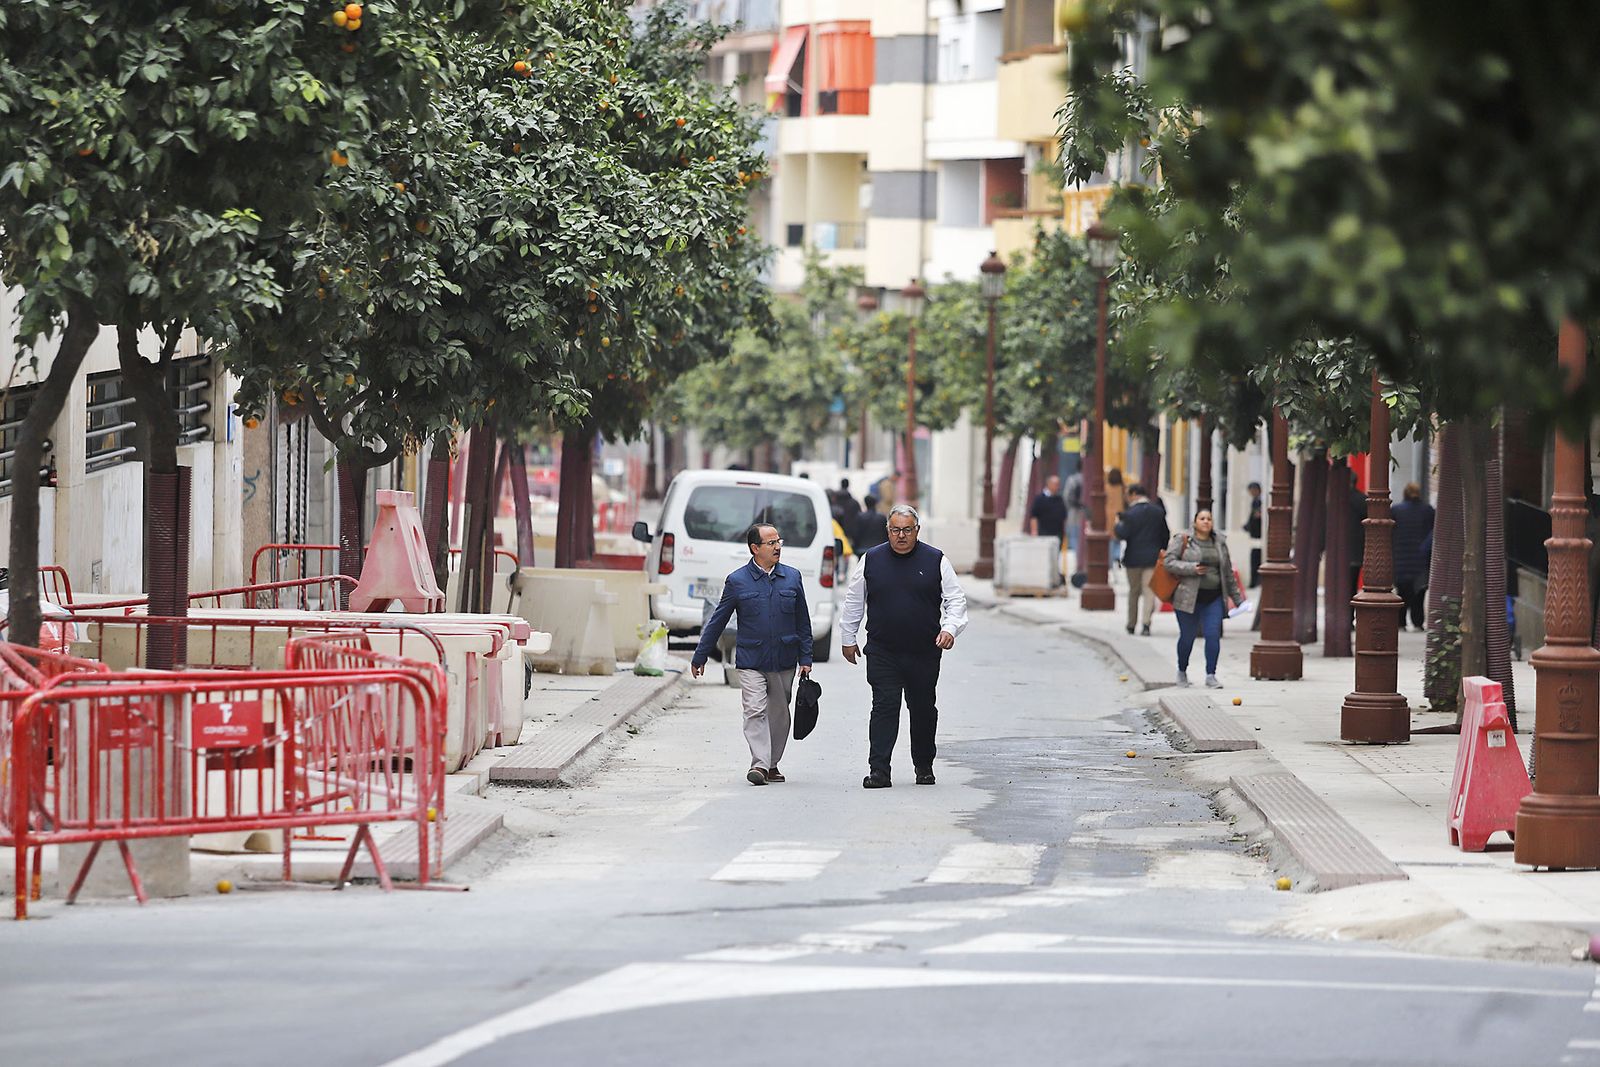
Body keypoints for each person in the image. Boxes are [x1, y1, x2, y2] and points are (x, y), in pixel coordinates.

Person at [839, 504, 968, 789]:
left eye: (907, 530)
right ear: (888, 531)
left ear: (917, 531)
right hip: (883, 649)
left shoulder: (936, 560)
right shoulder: (871, 559)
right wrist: (848, 638)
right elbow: (853, 600)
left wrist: (950, 628)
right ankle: (879, 770)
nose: (901, 536)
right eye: (895, 530)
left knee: (923, 709)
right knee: (884, 706)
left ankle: (924, 766)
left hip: (924, 651)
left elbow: (955, 600)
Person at [691, 523, 814, 786]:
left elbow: (803, 621)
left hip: (784, 659)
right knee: (754, 710)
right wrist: (700, 655)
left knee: (780, 714)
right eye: (771, 543)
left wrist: (806, 657)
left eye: (778, 541)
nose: (777, 547)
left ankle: (772, 764)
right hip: (751, 660)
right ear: (755, 548)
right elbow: (718, 620)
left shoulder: (792, 577)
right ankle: (759, 763)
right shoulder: (737, 581)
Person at [1162, 509, 1244, 689]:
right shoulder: (1183, 540)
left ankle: (1211, 675)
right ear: (1195, 522)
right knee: (1187, 637)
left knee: (1213, 635)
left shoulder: (1219, 542)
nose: (1206, 522)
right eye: (1202, 518)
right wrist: (1191, 568)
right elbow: (1168, 562)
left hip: (1213, 598)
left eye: (1209, 519)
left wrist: (1237, 599)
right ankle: (1182, 671)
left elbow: (1227, 572)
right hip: (1187, 597)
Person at [1115, 483, 1169, 636]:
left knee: (1134, 591)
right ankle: (1146, 624)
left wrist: (1117, 524)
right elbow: (1165, 534)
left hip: (1133, 558)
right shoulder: (1158, 512)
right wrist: (1161, 550)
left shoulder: (1130, 514)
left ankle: (1131, 624)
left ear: (1133, 494)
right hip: (1152, 558)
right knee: (1149, 591)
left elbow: (1122, 534)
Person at [1391, 482, 1435, 630]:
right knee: (1419, 592)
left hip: (1401, 558)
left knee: (1402, 593)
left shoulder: (1395, 511)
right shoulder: (1428, 511)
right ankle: (1417, 622)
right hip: (1420, 559)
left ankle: (1400, 623)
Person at [1027, 474, 1069, 580]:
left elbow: (1064, 516)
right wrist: (1034, 531)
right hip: (1044, 532)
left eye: (1058, 484)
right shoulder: (1040, 499)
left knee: (1055, 557)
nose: (1057, 487)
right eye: (1055, 484)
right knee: (1044, 557)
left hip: (1057, 533)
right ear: (1049, 484)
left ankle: (1053, 576)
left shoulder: (1059, 499)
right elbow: (1034, 516)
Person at [1062, 468, 1087, 579]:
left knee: (1074, 538)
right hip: (1086, 514)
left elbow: (1066, 497)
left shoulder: (1072, 480)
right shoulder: (1089, 478)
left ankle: (1078, 561)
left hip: (1074, 513)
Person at [1105, 468, 1127, 566]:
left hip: (1108, 514)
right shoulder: (1122, 488)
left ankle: (1110, 559)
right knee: (1118, 537)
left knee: (1109, 539)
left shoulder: (1106, 487)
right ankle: (1117, 556)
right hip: (1119, 514)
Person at [1244, 481, 1263, 587]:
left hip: (1258, 535)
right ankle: (1254, 581)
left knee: (1256, 558)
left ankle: (1255, 581)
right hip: (1254, 535)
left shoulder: (1259, 502)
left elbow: (1256, 517)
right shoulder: (1255, 501)